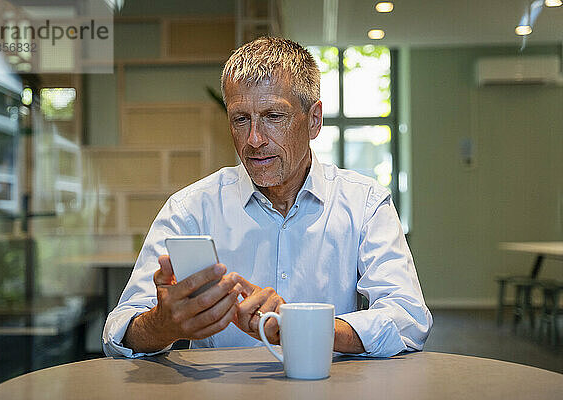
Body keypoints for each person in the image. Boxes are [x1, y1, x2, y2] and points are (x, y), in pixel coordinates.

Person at [103, 37, 432, 358]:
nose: (254, 139)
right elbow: (119, 331)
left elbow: (408, 318)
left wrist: (302, 326)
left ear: (314, 120)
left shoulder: (364, 203)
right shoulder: (190, 209)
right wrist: (163, 324)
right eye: (240, 119)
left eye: (274, 117)